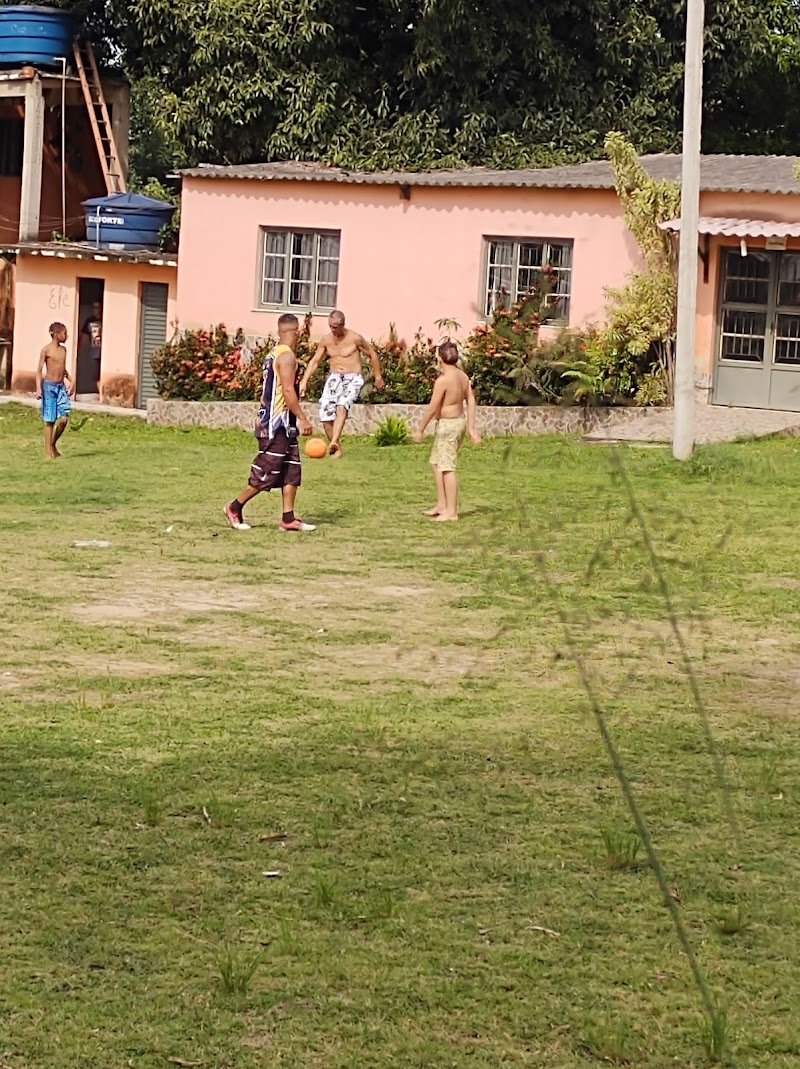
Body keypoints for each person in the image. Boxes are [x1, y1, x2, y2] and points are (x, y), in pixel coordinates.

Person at [223, 313, 316, 532]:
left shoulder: (273, 354)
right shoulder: (287, 357)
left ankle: (288, 518)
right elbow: (287, 391)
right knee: (267, 470)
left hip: (285, 424)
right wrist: (303, 418)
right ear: (297, 332)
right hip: (276, 425)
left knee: (292, 469)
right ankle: (234, 507)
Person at [299, 310, 384, 458]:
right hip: (335, 377)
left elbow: (372, 354)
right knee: (325, 412)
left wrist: (377, 376)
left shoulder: (355, 338)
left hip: (353, 377)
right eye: (330, 327)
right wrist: (304, 381)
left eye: (335, 327)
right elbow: (315, 361)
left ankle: (333, 441)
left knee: (342, 405)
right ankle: (336, 447)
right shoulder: (326, 340)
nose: (333, 330)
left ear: (342, 325)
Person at [412, 341, 480, 521]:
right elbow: (471, 400)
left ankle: (451, 511)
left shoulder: (443, 381)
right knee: (436, 463)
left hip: (449, 426)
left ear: (439, 358)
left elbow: (432, 408)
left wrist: (420, 430)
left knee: (447, 467)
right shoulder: (463, 376)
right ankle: (442, 505)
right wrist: (470, 427)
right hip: (455, 424)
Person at [35, 322, 73, 459]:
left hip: (61, 387)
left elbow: (62, 369)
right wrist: (38, 388)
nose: (66, 336)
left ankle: (53, 444)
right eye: (64, 333)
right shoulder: (46, 350)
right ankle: (48, 453)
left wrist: (71, 380)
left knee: (64, 419)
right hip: (49, 387)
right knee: (50, 420)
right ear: (56, 335)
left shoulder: (63, 350)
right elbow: (39, 370)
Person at [81, 301, 103, 386]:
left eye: (98, 307)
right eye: (94, 308)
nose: (96, 310)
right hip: (95, 349)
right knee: (96, 372)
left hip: (104, 349)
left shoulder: (104, 318)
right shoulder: (89, 320)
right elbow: (84, 335)